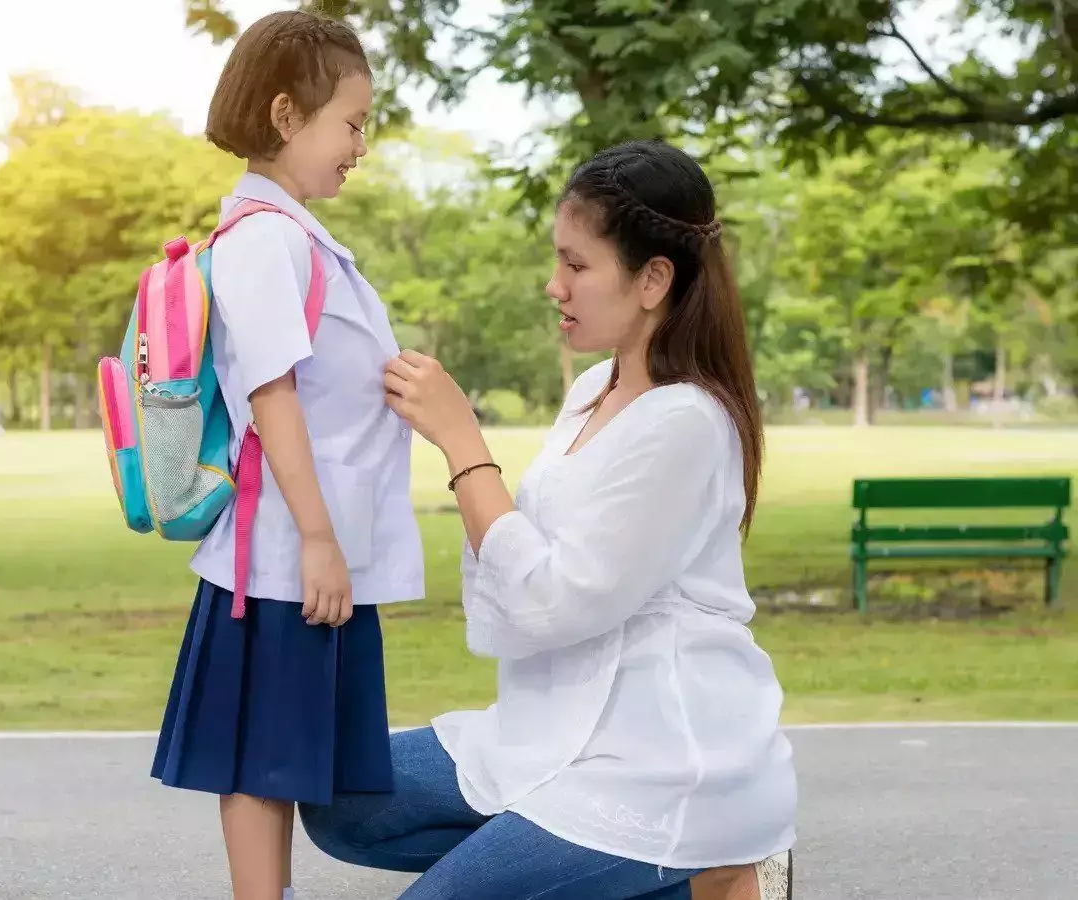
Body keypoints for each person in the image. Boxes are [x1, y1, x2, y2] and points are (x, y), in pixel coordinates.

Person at [299, 139, 797, 899]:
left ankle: (714, 862)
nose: (553, 284)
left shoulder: (687, 423)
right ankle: (675, 890)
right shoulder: (594, 389)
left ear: (653, 279)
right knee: (342, 804)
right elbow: (524, 550)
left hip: (658, 762)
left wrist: (462, 440)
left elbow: (551, 600)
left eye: (577, 264)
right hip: (548, 724)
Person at [149, 12, 424, 900]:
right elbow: (272, 394)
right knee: (263, 765)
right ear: (284, 115)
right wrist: (316, 537)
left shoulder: (293, 236)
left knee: (278, 759)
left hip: (302, 548)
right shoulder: (265, 240)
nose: (360, 146)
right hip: (282, 556)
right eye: (350, 123)